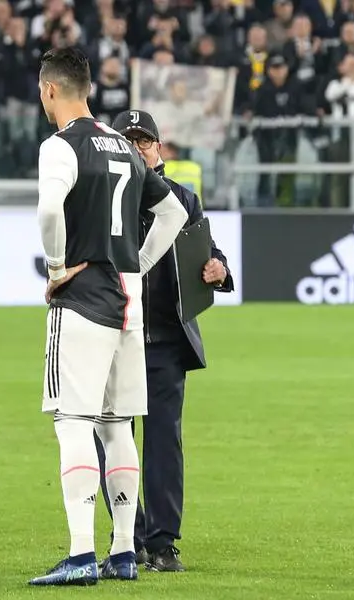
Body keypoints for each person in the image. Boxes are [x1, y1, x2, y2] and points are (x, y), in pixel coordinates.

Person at [28, 47, 189, 587]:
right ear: (88, 87)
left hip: (83, 298)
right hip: (128, 301)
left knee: (73, 421)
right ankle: (122, 552)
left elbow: (51, 210)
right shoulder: (123, 146)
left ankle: (79, 555)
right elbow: (174, 214)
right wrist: (138, 267)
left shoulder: (60, 145)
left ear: (50, 90)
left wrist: (55, 266)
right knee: (117, 424)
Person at [101, 109, 235, 572]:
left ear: (159, 148)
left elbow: (208, 252)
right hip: (116, 338)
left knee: (163, 442)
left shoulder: (183, 199)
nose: (138, 147)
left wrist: (219, 270)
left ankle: (161, 543)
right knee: (115, 439)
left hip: (163, 342)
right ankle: (126, 539)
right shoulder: (101, 198)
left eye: (144, 140)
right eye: (128, 140)